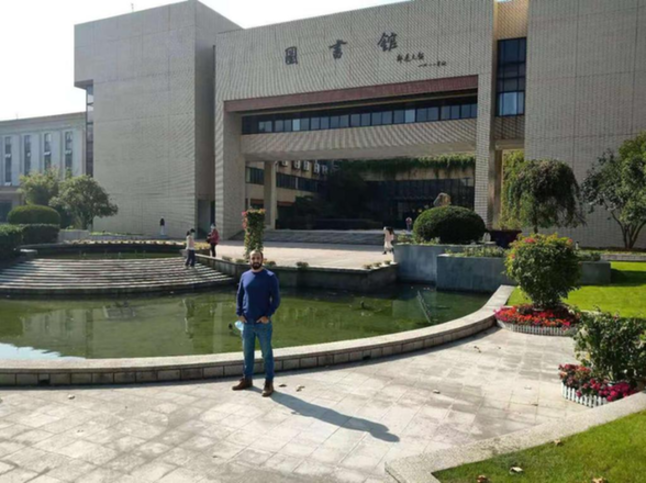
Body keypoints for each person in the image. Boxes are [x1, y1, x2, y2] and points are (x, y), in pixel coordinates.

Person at [232, 249, 281, 397]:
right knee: (247, 353)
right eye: (253, 258)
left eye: (258, 258)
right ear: (249, 260)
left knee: (267, 354)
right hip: (247, 323)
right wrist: (239, 313)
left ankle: (269, 383)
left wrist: (267, 315)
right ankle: (247, 379)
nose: (255, 260)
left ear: (262, 259)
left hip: (263, 324)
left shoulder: (270, 277)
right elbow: (239, 295)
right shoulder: (245, 276)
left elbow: (276, 299)